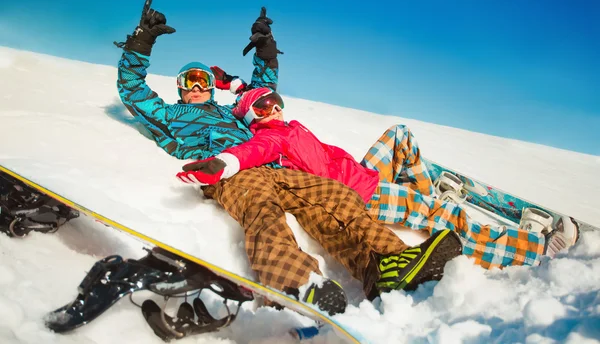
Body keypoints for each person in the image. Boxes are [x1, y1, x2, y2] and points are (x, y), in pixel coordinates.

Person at [116, 0, 462, 314]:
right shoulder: (170, 116)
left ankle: (387, 263)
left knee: (335, 198)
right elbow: (132, 90)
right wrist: (142, 41)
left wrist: (265, 49)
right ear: (179, 87)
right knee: (262, 208)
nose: (197, 87)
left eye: (202, 79)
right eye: (189, 81)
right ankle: (296, 282)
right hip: (229, 172)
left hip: (272, 165)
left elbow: (262, 91)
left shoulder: (231, 113)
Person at [176, 88, 580, 269]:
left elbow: (252, 97)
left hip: (363, 171)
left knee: (399, 135)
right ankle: (534, 248)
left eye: (276, 101)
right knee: (441, 214)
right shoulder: (271, 137)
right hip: (363, 192)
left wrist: (235, 84)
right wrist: (224, 163)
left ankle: (423, 188)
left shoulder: (281, 124)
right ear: (253, 117)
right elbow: (251, 152)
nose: (275, 107)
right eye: (264, 105)